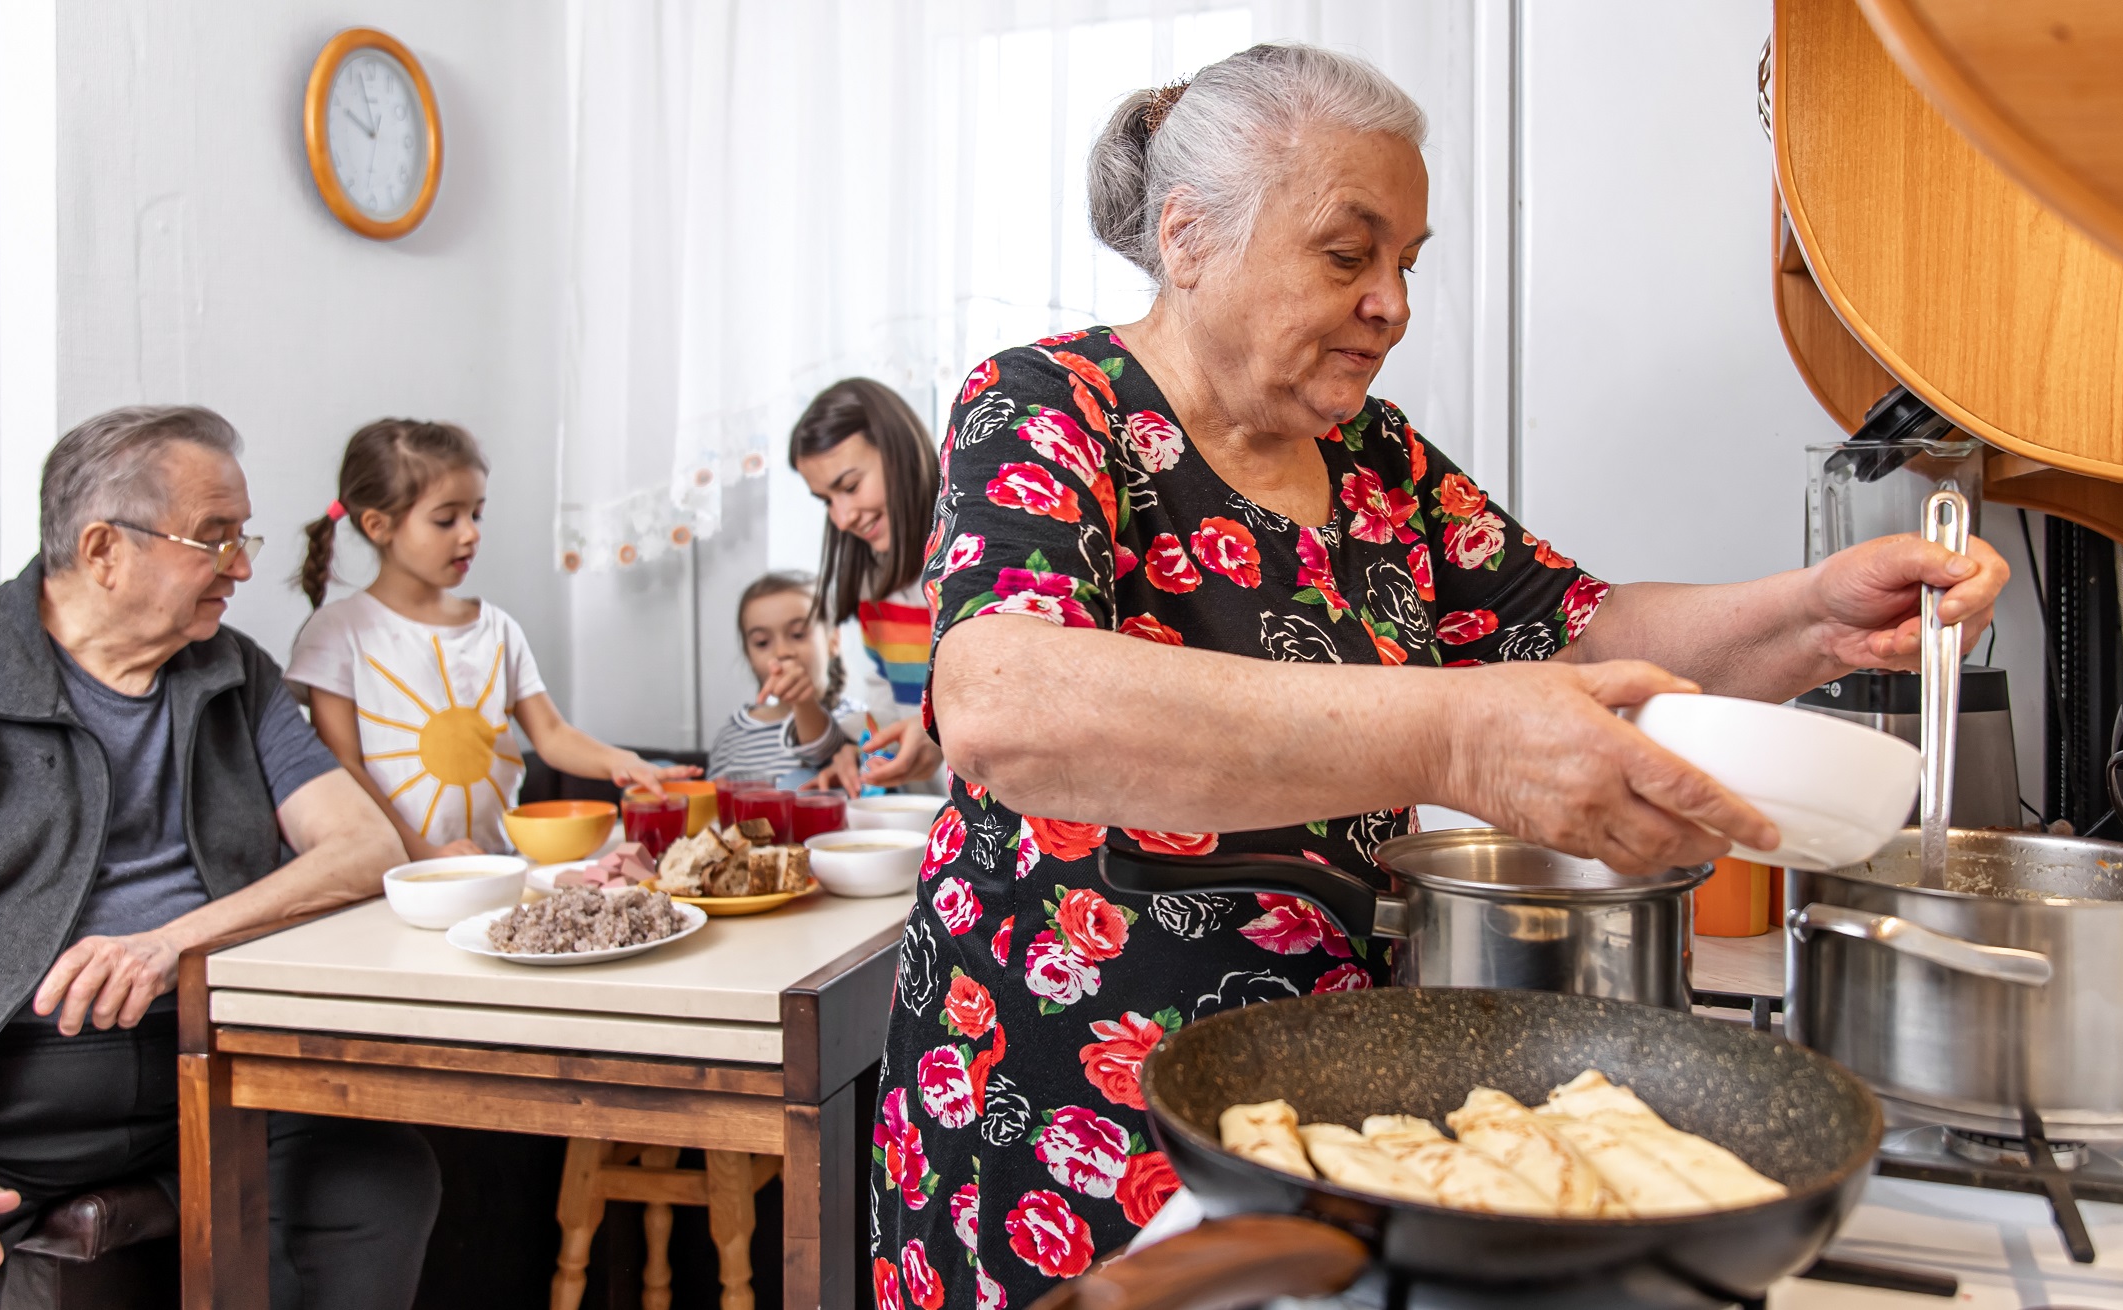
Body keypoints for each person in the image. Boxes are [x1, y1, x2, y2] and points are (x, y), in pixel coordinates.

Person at [868, 44, 2012, 1307]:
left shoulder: (1373, 458)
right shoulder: (1049, 404)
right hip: (1063, 1101)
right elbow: (1000, 703)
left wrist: (1809, 617)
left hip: (1332, 1090)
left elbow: (1583, 636)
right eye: (1348, 256)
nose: (1392, 305)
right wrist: (1453, 739)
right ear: (1187, 237)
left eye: (1406, 262)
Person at [0, 406, 443, 1310]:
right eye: (214, 539)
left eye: (241, 536)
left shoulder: (233, 676)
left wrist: (170, 944)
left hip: (206, 1059)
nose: (243, 566)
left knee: (376, 1176)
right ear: (102, 550)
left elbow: (363, 848)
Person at [287, 419, 691, 859]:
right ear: (377, 526)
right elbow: (342, 766)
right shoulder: (338, 634)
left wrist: (623, 763)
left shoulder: (496, 628)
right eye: (446, 520)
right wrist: (421, 851)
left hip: (498, 864)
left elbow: (552, 734)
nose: (471, 533)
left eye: (476, 514)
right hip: (397, 876)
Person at [788, 379, 946, 790]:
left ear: (900, 453)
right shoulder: (871, 581)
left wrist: (936, 738)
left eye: (850, 487)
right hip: (915, 816)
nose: (841, 518)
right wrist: (861, 752)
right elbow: (888, 706)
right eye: (826, 500)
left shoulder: (977, 560)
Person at [706, 572, 864, 785]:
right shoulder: (733, 735)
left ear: (833, 640)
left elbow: (823, 751)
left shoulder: (859, 721)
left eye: (798, 634)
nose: (782, 652)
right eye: (762, 642)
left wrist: (803, 702)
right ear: (748, 655)